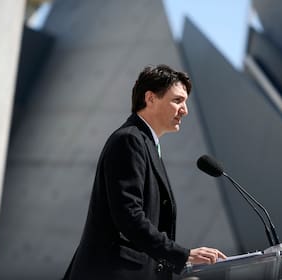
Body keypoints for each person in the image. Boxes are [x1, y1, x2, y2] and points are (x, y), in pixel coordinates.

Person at [63, 64, 226, 280]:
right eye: (177, 100)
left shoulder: (146, 143)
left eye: (185, 102)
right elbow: (129, 215)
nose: (185, 110)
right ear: (150, 99)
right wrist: (183, 255)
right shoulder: (130, 140)